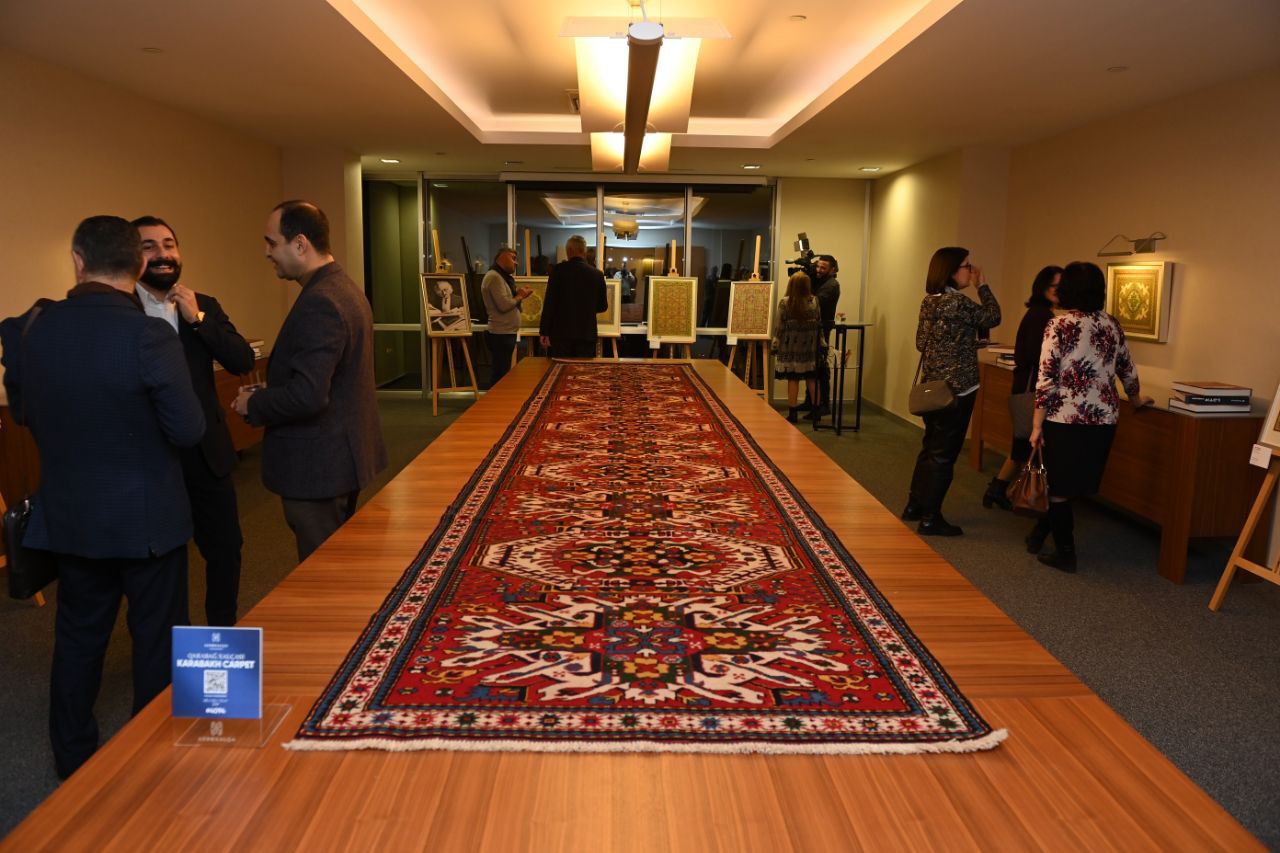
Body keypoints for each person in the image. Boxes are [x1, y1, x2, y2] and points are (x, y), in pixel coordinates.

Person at [0, 215, 205, 778]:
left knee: (78, 636)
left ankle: (72, 758)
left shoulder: (31, 330)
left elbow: (23, 412)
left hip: (72, 516)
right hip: (149, 519)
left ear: (77, 260)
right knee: (156, 639)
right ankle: (154, 753)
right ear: (138, 264)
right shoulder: (149, 336)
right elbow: (188, 429)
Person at [233, 201, 388, 561]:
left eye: (272, 242)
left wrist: (254, 403)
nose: (267, 252)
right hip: (340, 456)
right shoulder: (343, 288)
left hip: (319, 466)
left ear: (300, 244)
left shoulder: (322, 301)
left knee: (323, 572)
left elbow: (308, 396)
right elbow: (333, 380)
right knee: (336, 564)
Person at [132, 216, 255, 626]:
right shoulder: (122, 309)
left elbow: (241, 360)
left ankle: (219, 635)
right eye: (149, 246)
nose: (163, 254)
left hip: (205, 452)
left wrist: (198, 319)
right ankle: (164, 642)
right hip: (149, 458)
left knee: (225, 548)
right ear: (131, 256)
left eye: (169, 244)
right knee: (160, 560)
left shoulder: (203, 304)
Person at [1028, 261, 1153, 571]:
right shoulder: (1111, 324)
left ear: (1067, 289)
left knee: (1059, 488)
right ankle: (1038, 535)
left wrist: (1036, 424)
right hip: (1103, 420)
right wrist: (1136, 399)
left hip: (1064, 418)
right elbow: (1127, 369)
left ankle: (1065, 553)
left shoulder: (1058, 325)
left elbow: (1046, 378)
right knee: (1072, 483)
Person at [903, 246, 1001, 536]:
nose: (970, 271)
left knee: (930, 448)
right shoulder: (957, 302)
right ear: (951, 270)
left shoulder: (929, 302)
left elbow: (922, 342)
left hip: (933, 387)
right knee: (944, 455)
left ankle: (915, 505)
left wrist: (960, 343)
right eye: (967, 266)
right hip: (958, 389)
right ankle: (931, 518)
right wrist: (982, 286)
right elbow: (993, 316)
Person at [982, 265, 1063, 510]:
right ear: (1043, 288)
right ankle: (1013, 492)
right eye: (1055, 286)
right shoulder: (1042, 316)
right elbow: (1035, 356)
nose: (1060, 291)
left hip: (1026, 386)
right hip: (1032, 389)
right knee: (1026, 444)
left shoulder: (1041, 314)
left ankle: (997, 489)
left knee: (1021, 445)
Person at [539, 234, 607, 358]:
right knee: (583, 368)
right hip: (586, 333)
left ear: (569, 250)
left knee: (560, 367)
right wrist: (586, 309)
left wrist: (544, 331)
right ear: (584, 251)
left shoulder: (558, 271)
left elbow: (550, 303)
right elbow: (603, 306)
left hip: (561, 333)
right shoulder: (597, 274)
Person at [771, 272, 821, 423]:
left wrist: (775, 343)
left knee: (793, 379)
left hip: (790, 346)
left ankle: (793, 414)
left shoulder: (785, 302)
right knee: (812, 378)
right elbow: (818, 322)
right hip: (810, 346)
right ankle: (816, 412)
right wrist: (822, 343)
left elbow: (779, 326)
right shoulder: (814, 301)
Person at [480, 245, 531, 387]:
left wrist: (518, 294)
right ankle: (494, 400)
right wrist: (520, 296)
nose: (516, 263)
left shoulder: (501, 277)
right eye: (513, 258)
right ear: (502, 257)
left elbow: (507, 301)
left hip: (505, 332)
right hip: (501, 334)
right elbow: (503, 305)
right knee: (500, 375)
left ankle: (496, 399)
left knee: (502, 372)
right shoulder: (494, 277)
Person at [808, 254, 841, 419]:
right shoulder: (820, 281)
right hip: (814, 328)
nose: (819, 270)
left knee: (820, 366)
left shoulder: (832, 285)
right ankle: (811, 401)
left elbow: (815, 303)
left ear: (832, 269)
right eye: (818, 266)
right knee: (811, 365)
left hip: (822, 329)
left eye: (823, 268)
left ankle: (823, 404)